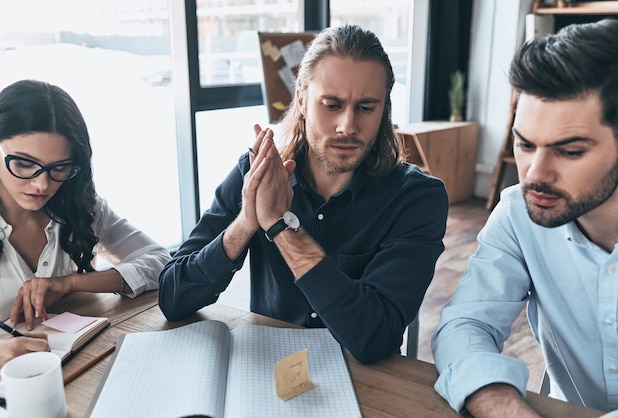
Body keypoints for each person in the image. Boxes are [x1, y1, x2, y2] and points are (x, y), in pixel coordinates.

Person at [158, 24, 448, 364]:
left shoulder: (417, 199)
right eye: (331, 104)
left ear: (384, 109)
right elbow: (173, 297)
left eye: (366, 108)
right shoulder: (256, 174)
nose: (347, 126)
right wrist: (246, 222)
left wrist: (282, 227)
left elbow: (374, 338)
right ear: (301, 99)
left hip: (365, 385)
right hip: (269, 371)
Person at [432, 18, 618, 416]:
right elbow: (466, 323)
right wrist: (501, 405)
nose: (534, 174)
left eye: (570, 151)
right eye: (525, 144)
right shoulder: (520, 212)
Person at [0, 79, 171, 374]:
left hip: (70, 373)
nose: (42, 184)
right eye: (24, 163)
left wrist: (71, 284)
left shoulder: (77, 205)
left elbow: (161, 262)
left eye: (59, 167)